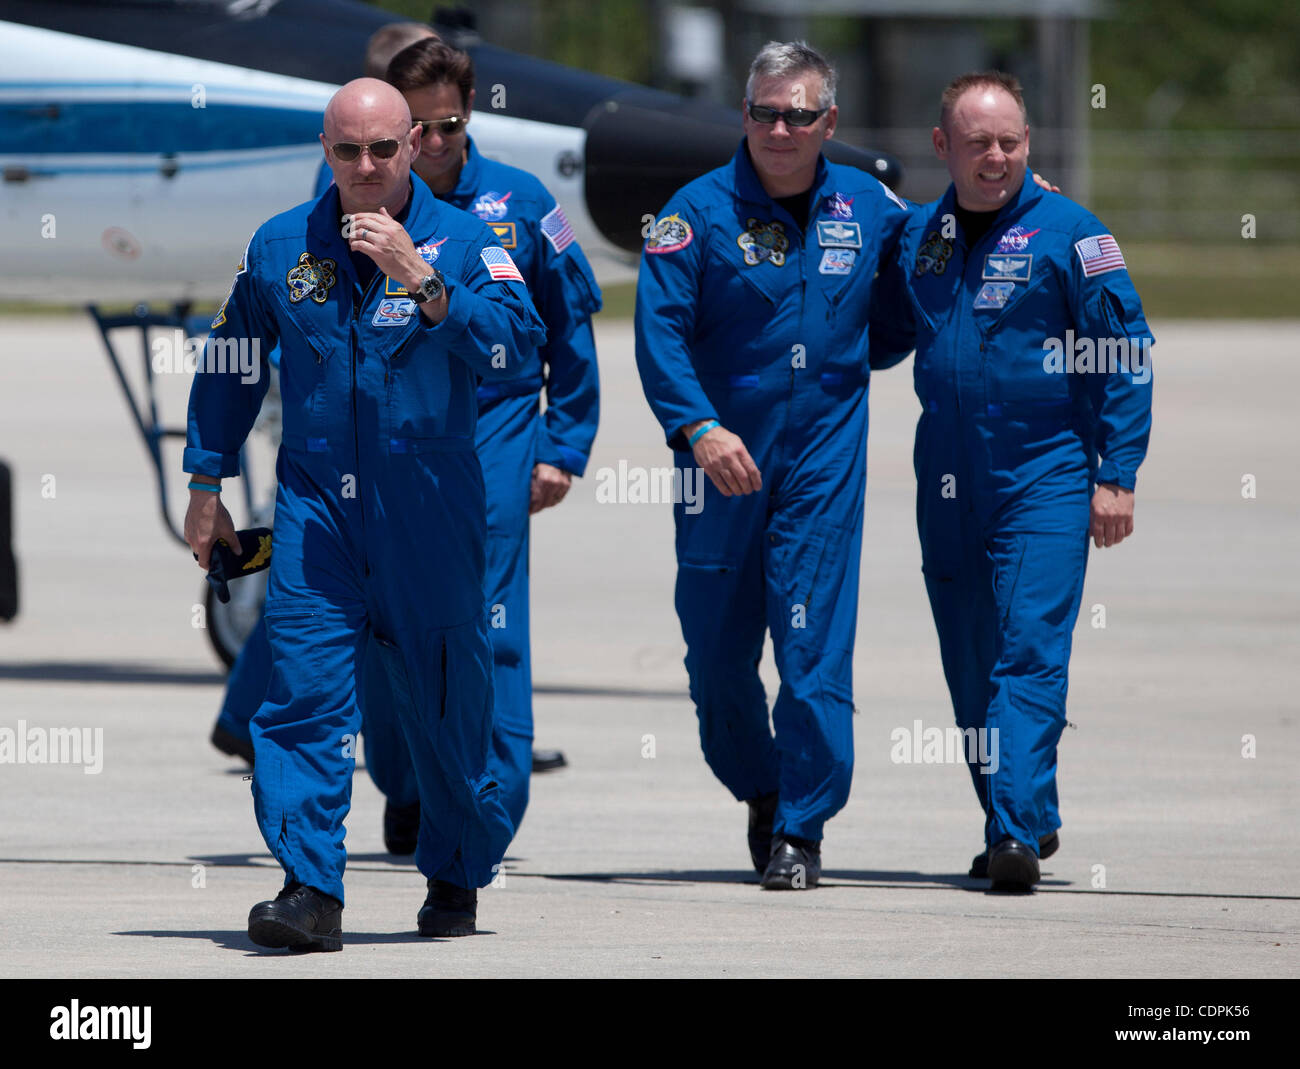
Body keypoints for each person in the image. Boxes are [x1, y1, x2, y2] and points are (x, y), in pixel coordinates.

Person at [184, 78, 546, 949]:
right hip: (318, 509)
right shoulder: (281, 247)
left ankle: (455, 870)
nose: (366, 167)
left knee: (449, 704)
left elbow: (517, 345)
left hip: (428, 504)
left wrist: (422, 280)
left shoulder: (466, 241)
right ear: (325, 149)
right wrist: (206, 482)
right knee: (302, 696)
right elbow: (233, 359)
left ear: (415, 144)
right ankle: (310, 886)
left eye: (384, 149)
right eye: (347, 151)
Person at [633, 41, 914, 890]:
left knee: (810, 650)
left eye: (798, 113)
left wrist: (1022, 208)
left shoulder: (872, 210)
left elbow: (920, 290)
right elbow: (661, 336)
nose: (780, 128)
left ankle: (803, 825)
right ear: (744, 115)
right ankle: (760, 786)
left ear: (830, 120)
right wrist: (698, 427)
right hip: (719, 459)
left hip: (823, 461)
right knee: (715, 661)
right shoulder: (692, 215)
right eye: (764, 112)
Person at [889, 71, 1153, 889]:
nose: (996, 156)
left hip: (1045, 471)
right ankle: (1024, 814)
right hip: (946, 477)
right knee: (970, 664)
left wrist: (1118, 471)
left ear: (1029, 144)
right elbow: (871, 334)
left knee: (1027, 650)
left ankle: (1010, 830)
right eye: (977, 143)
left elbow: (1124, 352)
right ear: (943, 147)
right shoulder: (918, 238)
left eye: (1009, 141)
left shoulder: (1071, 234)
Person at [359, 37, 600, 842]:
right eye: (414, 131)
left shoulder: (525, 203)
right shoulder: (354, 210)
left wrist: (564, 444)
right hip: (388, 433)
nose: (431, 144)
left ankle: (488, 807)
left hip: (491, 425)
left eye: (448, 126)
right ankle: (408, 781)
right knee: (382, 615)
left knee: (487, 614)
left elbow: (569, 331)